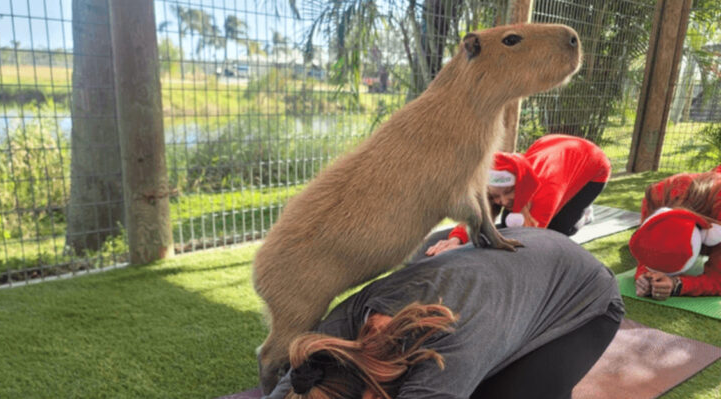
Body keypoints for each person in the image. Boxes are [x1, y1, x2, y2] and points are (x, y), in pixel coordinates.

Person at [262, 228, 624, 399]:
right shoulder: (335, 336)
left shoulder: (447, 353)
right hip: (510, 268)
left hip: (582, 297)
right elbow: (294, 385)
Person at [427, 134, 611, 257]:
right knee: (511, 221)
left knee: (559, 232)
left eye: (508, 192)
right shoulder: (502, 182)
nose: (504, 201)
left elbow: (528, 242)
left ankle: (584, 215)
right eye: (495, 196)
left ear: (521, 184)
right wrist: (455, 239)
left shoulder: (546, 191)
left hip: (592, 164)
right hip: (547, 145)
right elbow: (477, 211)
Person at [629, 166, 721, 299]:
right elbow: (646, 250)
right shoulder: (656, 197)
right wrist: (646, 277)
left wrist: (677, 284)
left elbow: (718, 279)